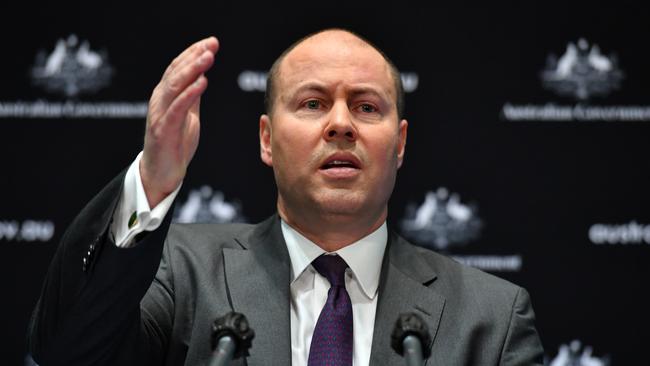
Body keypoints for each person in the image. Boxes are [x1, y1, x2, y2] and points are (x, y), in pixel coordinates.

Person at [28, 29, 544, 365]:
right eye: (313, 103)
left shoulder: (490, 319)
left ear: (401, 143)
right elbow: (66, 351)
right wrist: (154, 182)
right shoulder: (180, 274)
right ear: (267, 140)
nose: (341, 124)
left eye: (366, 108)